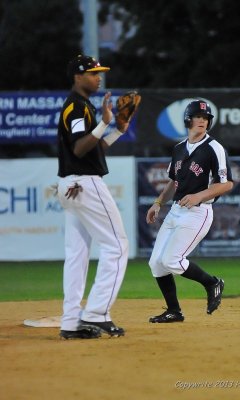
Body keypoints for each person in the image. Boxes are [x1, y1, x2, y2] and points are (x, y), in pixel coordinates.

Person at [57, 55, 129, 339]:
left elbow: (94, 149)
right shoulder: (76, 106)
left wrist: (117, 130)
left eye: (100, 73)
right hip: (84, 184)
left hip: (70, 185)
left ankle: (71, 323)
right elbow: (78, 149)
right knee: (117, 246)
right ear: (78, 76)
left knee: (77, 255)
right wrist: (104, 123)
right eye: (93, 73)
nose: (99, 77)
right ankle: (97, 313)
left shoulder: (83, 106)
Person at [146, 99, 233, 323]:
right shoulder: (178, 149)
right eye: (198, 117)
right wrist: (158, 203)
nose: (202, 121)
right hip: (175, 210)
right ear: (188, 119)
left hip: (199, 211)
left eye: (206, 118)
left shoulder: (214, 148)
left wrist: (199, 196)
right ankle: (174, 311)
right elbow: (172, 182)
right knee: (156, 263)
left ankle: (212, 283)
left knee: (172, 260)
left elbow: (226, 184)